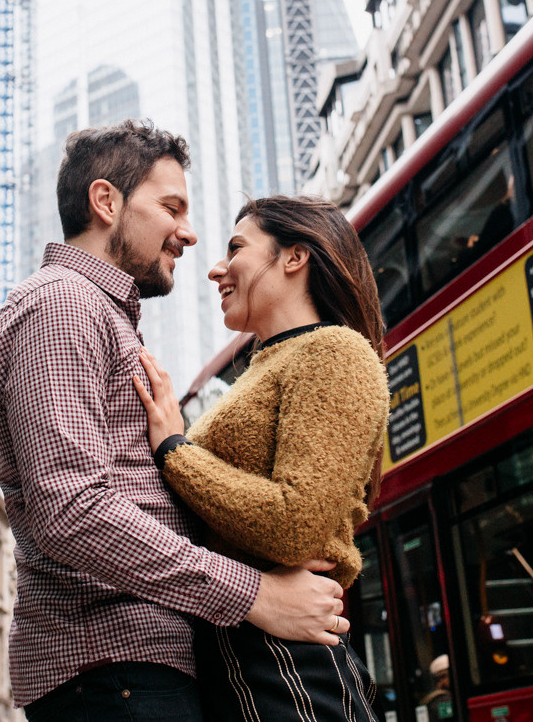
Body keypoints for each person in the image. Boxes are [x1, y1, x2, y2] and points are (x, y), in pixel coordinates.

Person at [0, 122, 350, 721]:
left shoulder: (100, 315)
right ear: (106, 202)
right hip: (112, 672)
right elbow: (72, 509)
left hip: (135, 669)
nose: (189, 233)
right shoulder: (60, 306)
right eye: (171, 207)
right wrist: (256, 595)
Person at [134, 195, 391, 722]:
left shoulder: (334, 353)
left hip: (284, 664)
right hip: (248, 650)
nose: (215, 268)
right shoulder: (268, 364)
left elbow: (294, 523)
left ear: (294, 257)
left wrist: (175, 451)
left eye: (236, 248)